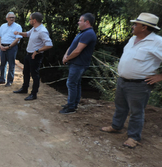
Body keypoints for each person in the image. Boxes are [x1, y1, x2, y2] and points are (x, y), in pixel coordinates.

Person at [101, 13, 162, 148]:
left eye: (136, 24)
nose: (133, 26)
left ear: (144, 27)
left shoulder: (157, 42)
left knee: (136, 111)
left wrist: (159, 76)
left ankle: (133, 137)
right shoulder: (132, 39)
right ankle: (116, 126)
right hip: (123, 81)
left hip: (139, 85)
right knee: (120, 106)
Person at [60, 13, 97, 114]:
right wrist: (65, 55)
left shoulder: (89, 33)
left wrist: (67, 58)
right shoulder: (82, 32)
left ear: (87, 22)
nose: (78, 22)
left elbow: (77, 50)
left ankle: (71, 107)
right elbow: (73, 45)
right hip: (75, 63)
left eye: (80, 20)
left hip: (79, 64)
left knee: (71, 83)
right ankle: (73, 103)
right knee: (76, 83)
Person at [13, 12, 53, 100]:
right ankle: (24, 88)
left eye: (30, 19)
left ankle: (33, 94)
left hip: (36, 56)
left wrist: (37, 51)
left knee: (35, 74)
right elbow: (27, 34)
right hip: (29, 54)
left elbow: (49, 45)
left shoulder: (42, 31)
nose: (29, 21)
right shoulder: (34, 29)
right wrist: (19, 33)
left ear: (34, 20)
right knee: (26, 72)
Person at [0, 12, 23, 87]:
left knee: (11, 64)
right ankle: (2, 79)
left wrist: (9, 46)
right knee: (2, 64)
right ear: (7, 18)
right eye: (10, 17)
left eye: (13, 17)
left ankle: (10, 81)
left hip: (12, 47)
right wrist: (0, 45)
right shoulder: (3, 26)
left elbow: (17, 39)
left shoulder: (18, 26)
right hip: (2, 46)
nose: (12, 19)